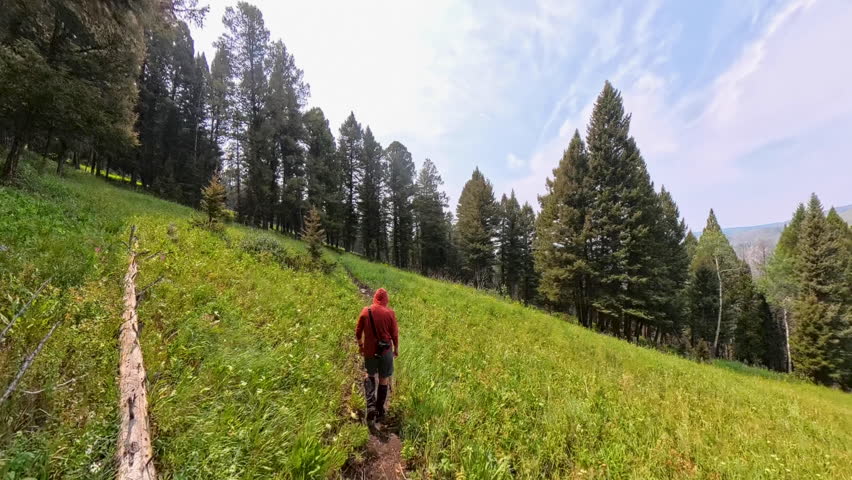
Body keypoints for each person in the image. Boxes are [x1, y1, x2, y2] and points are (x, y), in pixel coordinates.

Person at [355, 288, 399, 422]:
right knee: (384, 379)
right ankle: (380, 411)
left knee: (369, 375)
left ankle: (371, 406)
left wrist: (361, 346)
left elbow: (358, 332)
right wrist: (396, 349)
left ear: (374, 298)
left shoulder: (366, 311)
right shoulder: (390, 313)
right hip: (385, 352)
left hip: (370, 351)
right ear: (386, 300)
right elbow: (394, 334)